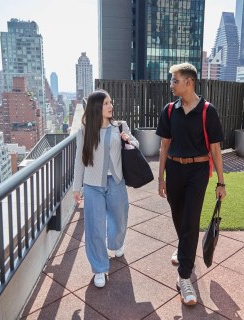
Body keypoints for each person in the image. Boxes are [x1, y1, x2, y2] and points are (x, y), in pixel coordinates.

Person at [156, 63, 226, 305]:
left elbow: (216, 150)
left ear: (188, 82)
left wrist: (221, 181)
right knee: (178, 216)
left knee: (191, 220)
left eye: (174, 80)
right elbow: (164, 145)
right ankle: (184, 247)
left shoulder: (208, 111)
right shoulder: (168, 110)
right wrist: (161, 176)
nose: (171, 84)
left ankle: (184, 277)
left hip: (198, 171)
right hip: (174, 170)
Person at [73, 89, 139, 288]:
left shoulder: (120, 126)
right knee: (95, 227)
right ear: (96, 107)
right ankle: (100, 268)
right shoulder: (84, 132)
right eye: (106, 104)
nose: (111, 107)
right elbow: (79, 160)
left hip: (116, 182)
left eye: (111, 102)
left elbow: (136, 144)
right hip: (93, 185)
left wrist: (129, 140)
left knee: (120, 218)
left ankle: (116, 243)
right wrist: (77, 187)